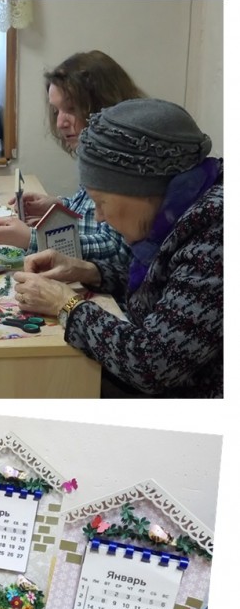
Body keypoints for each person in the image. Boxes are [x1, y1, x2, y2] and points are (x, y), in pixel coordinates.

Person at [11, 98, 223, 399]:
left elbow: (152, 364)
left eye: (101, 202)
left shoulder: (216, 233)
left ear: (144, 191)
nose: (98, 216)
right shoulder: (180, 210)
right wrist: (89, 271)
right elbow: (165, 289)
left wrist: (65, 304)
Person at [0, 50, 146, 263]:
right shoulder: (98, 153)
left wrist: (32, 239)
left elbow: (116, 250)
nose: (60, 123)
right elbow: (92, 212)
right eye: (56, 111)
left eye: (72, 109)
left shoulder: (128, 161)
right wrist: (59, 206)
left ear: (105, 105)